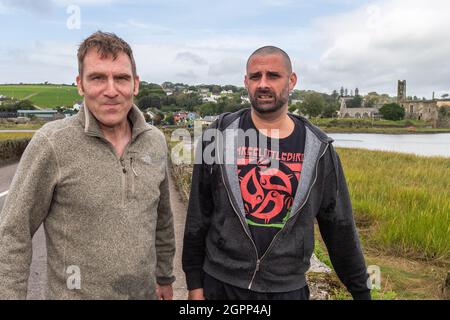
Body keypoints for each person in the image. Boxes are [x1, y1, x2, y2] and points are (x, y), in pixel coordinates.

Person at [182, 46, 371, 300]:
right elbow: (198, 216)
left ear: (291, 81)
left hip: (287, 289)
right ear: (245, 82)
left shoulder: (319, 150)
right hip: (221, 285)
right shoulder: (218, 137)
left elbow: (340, 227)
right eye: (254, 76)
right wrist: (194, 284)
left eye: (273, 75)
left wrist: (361, 292)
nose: (262, 84)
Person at [0, 31, 175, 300]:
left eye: (121, 78)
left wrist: (164, 277)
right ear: (80, 84)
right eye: (97, 78)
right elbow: (13, 233)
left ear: (135, 84)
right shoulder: (52, 142)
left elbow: (162, 219)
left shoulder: (154, 141)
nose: (111, 90)